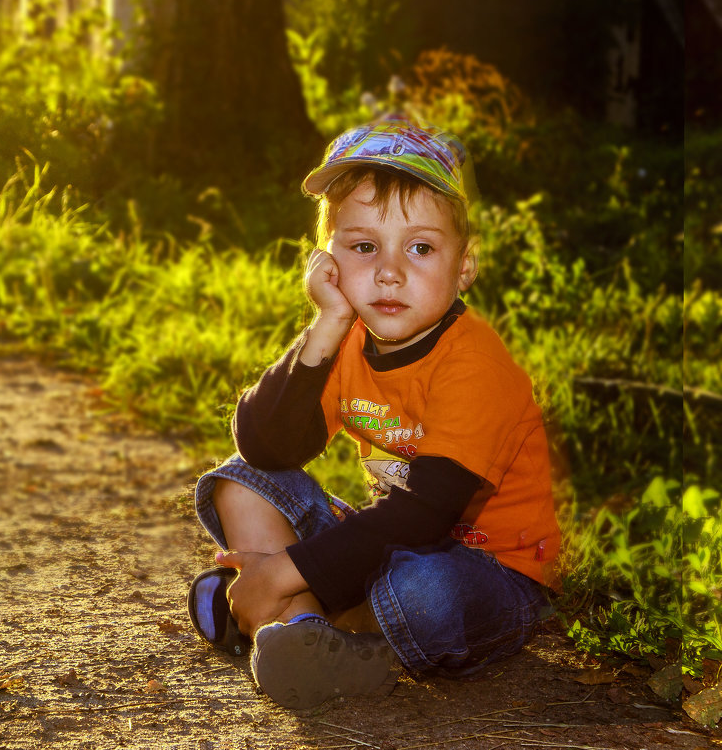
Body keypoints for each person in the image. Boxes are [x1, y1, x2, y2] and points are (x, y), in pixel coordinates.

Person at [186, 113, 561, 710]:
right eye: (364, 247)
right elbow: (267, 446)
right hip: (390, 543)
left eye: (420, 247)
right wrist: (327, 323)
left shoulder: (476, 364)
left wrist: (284, 569)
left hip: (488, 572)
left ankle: (284, 606)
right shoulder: (348, 338)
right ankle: (303, 636)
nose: (389, 271)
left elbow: (428, 510)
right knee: (240, 478)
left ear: (464, 265)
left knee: (422, 590)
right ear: (328, 264)